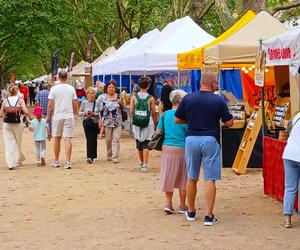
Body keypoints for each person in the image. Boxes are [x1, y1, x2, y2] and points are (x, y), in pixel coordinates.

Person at [175, 72, 234, 225]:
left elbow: (177, 119)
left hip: (191, 139)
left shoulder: (188, 98)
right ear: (213, 83)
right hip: (210, 139)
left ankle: (192, 211)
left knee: (192, 176)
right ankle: (208, 215)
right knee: (210, 178)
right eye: (217, 83)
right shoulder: (218, 100)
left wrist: (192, 119)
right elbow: (229, 123)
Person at [157, 89, 188, 214]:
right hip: (183, 147)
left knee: (168, 174)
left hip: (167, 147)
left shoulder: (165, 115)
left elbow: (158, 131)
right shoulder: (186, 116)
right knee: (184, 177)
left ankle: (168, 203)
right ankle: (182, 205)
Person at [46, 70, 77, 169]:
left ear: (58, 78)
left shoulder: (54, 89)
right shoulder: (71, 89)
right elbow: (75, 102)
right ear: (66, 77)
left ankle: (56, 160)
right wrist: (76, 112)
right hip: (68, 115)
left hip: (57, 116)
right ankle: (68, 161)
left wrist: (48, 116)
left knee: (57, 138)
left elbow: (50, 104)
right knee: (67, 139)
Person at [0, 84, 32, 170]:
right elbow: (25, 111)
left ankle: (10, 163)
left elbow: (1, 114)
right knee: (18, 141)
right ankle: (18, 160)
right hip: (18, 123)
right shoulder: (20, 100)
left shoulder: (5, 100)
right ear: (17, 91)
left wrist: (7, 116)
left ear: (9, 91)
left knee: (9, 143)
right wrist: (30, 118)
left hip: (7, 124)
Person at [130, 76, 157, 172]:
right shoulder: (151, 98)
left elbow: (131, 111)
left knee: (139, 143)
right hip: (148, 122)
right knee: (146, 143)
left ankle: (141, 162)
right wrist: (155, 123)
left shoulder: (134, 97)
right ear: (148, 85)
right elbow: (153, 112)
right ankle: (145, 165)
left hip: (137, 122)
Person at [97, 80, 124, 163]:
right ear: (107, 89)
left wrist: (121, 103)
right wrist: (100, 121)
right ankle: (109, 154)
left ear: (115, 89)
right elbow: (100, 110)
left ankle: (115, 157)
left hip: (117, 121)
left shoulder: (119, 96)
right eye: (109, 87)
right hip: (107, 122)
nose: (111, 89)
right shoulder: (102, 97)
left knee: (116, 139)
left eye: (112, 87)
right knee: (108, 139)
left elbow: (123, 107)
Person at [282, 111, 300, 228]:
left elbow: (289, 131)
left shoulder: (297, 116)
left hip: (289, 154)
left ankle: (287, 220)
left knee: (290, 188)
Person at [80, 87, 100, 164]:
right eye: (90, 93)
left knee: (94, 139)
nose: (92, 95)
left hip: (95, 123)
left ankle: (94, 156)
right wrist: (85, 113)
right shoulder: (84, 102)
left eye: (93, 93)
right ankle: (89, 156)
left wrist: (94, 114)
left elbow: (100, 114)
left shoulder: (97, 102)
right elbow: (79, 113)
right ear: (87, 94)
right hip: (87, 123)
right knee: (89, 138)